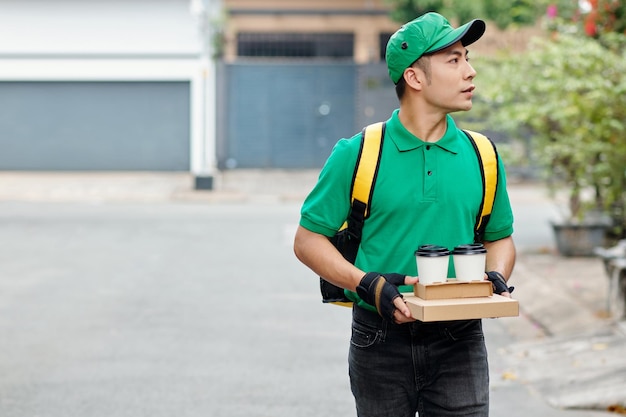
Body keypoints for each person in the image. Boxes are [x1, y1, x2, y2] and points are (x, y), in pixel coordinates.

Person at [293, 11, 516, 417]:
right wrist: (368, 284)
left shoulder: (483, 154)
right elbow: (307, 241)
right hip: (379, 339)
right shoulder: (358, 153)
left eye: (466, 57)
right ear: (414, 78)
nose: (470, 71)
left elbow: (499, 236)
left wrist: (497, 275)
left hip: (460, 338)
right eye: (454, 60)